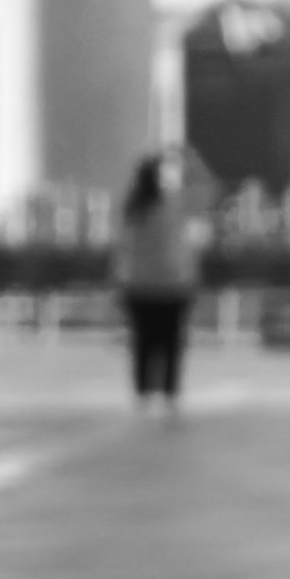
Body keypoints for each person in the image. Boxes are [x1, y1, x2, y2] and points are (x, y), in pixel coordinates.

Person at [114, 151, 203, 406]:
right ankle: (169, 394)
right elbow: (204, 192)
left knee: (143, 342)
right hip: (171, 284)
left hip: (138, 284)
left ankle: (142, 394)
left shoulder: (131, 207)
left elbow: (122, 247)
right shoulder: (172, 204)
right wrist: (187, 158)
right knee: (170, 343)